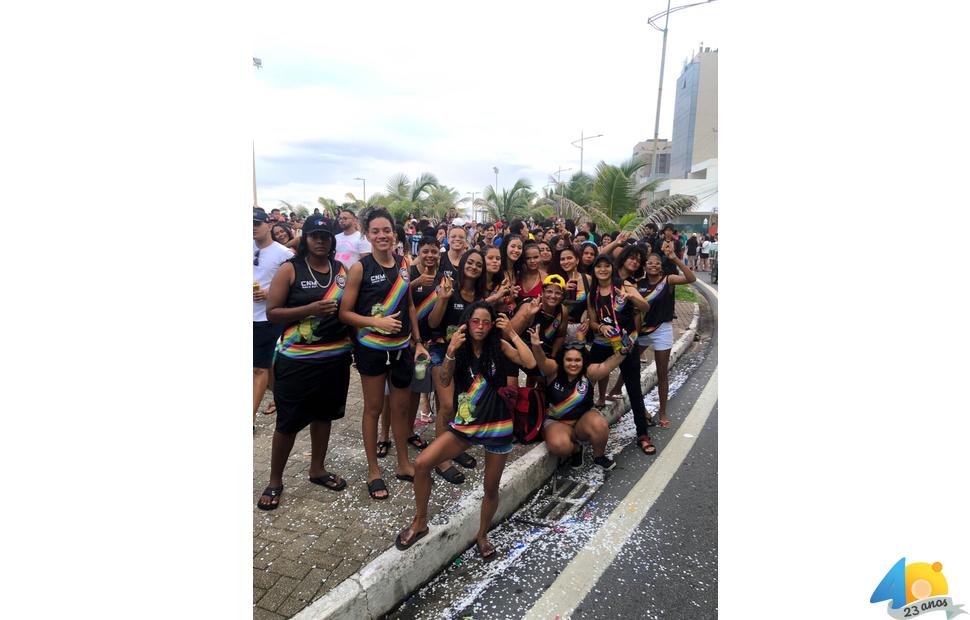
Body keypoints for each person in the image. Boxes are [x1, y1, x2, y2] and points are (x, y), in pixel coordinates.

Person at [395, 302, 536, 558]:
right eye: (475, 321)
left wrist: (512, 333)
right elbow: (446, 380)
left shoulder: (499, 346)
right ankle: (420, 521)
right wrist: (449, 351)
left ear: (493, 324)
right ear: (467, 323)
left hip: (497, 425)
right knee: (423, 463)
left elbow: (529, 362)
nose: (480, 327)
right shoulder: (459, 349)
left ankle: (482, 535)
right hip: (467, 423)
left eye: (486, 322)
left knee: (490, 487)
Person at [257, 216, 353, 510]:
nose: (321, 240)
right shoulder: (290, 269)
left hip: (334, 358)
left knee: (324, 416)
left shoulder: (340, 270)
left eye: (326, 235)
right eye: (315, 235)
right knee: (288, 421)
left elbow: (348, 310)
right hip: (296, 360)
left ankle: (317, 469)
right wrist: (310, 309)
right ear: (305, 239)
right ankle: (275, 481)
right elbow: (273, 312)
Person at [339, 208, 429, 500]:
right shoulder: (360, 268)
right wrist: (376, 322)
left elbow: (411, 305)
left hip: (402, 348)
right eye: (375, 231)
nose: (381, 236)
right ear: (367, 234)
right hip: (372, 350)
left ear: (395, 233)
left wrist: (418, 341)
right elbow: (345, 313)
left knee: (402, 409)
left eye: (386, 230)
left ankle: (403, 462)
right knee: (373, 409)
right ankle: (373, 470)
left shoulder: (404, 264)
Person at [530, 323, 630, 470]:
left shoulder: (589, 373)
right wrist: (536, 346)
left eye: (577, 360)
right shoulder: (553, 371)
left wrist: (622, 352)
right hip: (556, 422)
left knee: (600, 425)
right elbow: (542, 362)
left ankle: (599, 456)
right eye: (569, 360)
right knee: (559, 447)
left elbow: (606, 366)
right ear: (562, 360)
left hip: (582, 421)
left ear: (583, 361)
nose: (573, 364)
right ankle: (577, 450)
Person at [587, 255, 656, 455]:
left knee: (634, 388)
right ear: (594, 270)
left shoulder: (624, 285)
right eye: (598, 267)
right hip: (603, 342)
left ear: (612, 267)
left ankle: (642, 435)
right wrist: (600, 326)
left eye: (606, 266)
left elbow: (645, 307)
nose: (602, 270)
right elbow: (592, 322)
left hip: (627, 344)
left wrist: (631, 297)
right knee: (586, 380)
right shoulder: (593, 293)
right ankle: (582, 428)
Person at [428, 249, 488, 478]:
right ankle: (440, 459)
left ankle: (452, 447)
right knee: (447, 406)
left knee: (461, 403)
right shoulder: (448, 289)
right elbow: (433, 323)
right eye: (469, 263)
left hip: (467, 357)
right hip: (441, 352)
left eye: (478, 265)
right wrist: (442, 299)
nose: (473, 267)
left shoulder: (480, 297)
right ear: (462, 264)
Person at [637, 245, 696, 429]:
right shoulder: (639, 283)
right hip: (642, 331)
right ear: (645, 266)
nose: (653, 266)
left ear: (661, 267)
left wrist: (674, 258)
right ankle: (617, 394)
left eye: (656, 263)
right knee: (629, 367)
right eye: (649, 263)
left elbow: (690, 278)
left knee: (662, 373)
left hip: (662, 330)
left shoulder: (668, 280)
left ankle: (662, 412)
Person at [253, 207, 293, 428]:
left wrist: (271, 293)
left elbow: (294, 282)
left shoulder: (283, 254)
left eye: (256, 223)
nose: (252, 228)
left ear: (268, 225)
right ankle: (282, 398)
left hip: (269, 317)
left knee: (258, 368)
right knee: (266, 367)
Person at [510, 274, 568, 387]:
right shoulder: (529, 305)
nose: (553, 296)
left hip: (542, 350)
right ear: (542, 292)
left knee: (554, 371)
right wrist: (527, 315)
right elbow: (510, 333)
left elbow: (561, 336)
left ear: (562, 296)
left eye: (558, 293)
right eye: (549, 291)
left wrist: (553, 357)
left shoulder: (562, 311)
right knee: (541, 376)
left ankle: (535, 396)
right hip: (521, 347)